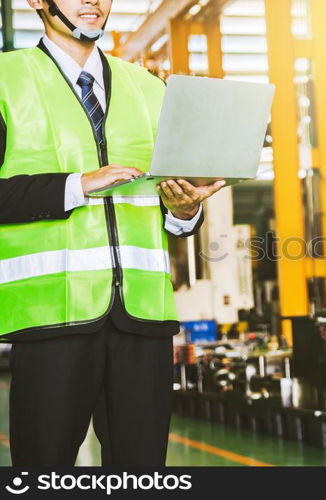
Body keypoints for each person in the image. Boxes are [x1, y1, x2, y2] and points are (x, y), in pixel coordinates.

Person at [0, 0, 225, 466]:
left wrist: (184, 211)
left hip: (143, 319)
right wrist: (76, 186)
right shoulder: (6, 80)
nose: (92, 1)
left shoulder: (149, 88)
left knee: (141, 474)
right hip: (51, 319)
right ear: (37, 2)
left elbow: (172, 197)